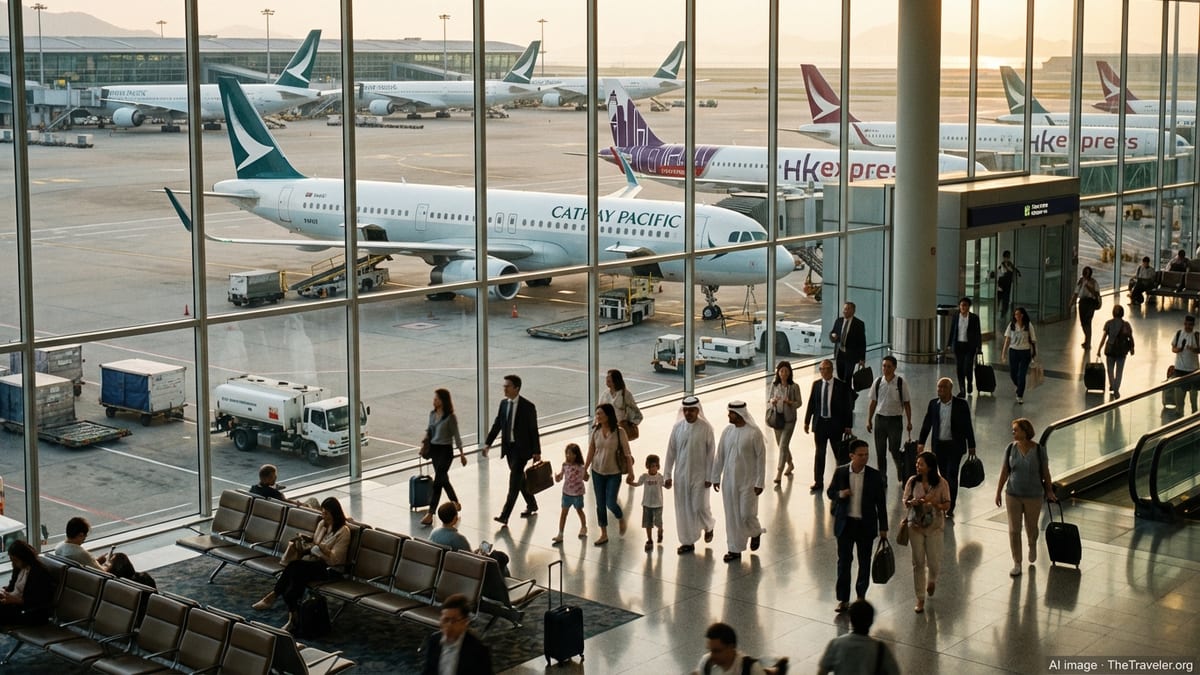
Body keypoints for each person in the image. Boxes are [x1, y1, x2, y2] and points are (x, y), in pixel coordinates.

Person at [253, 497, 350, 632]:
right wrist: (310, 542)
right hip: (314, 563)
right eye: (323, 513)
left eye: (326, 513)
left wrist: (321, 548)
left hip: (330, 569)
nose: (323, 516)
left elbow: (335, 560)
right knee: (296, 578)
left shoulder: (344, 532)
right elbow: (315, 542)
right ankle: (292, 616)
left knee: (295, 569)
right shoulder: (322, 524)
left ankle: (274, 598)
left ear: (335, 513)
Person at [827, 439, 888, 611]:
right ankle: (843, 599)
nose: (864, 458)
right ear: (851, 456)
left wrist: (883, 527)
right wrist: (841, 494)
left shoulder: (874, 476)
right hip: (845, 525)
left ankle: (861, 596)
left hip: (865, 526)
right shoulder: (841, 472)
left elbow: (881, 504)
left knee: (864, 562)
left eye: (867, 454)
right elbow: (830, 493)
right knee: (844, 562)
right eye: (860, 455)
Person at [994, 418, 1056, 577]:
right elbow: (1004, 471)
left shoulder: (1039, 450)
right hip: (1013, 494)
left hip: (1033, 495)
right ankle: (1017, 562)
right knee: (1014, 530)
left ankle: (1032, 544)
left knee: (1031, 526)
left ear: (1025, 431)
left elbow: (1045, 472)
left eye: (1016, 429)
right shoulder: (1010, 449)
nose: (1013, 432)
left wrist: (1049, 490)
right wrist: (999, 491)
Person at [483, 374, 542, 526]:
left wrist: (537, 451)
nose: (504, 388)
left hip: (522, 450)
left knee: (514, 482)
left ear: (516, 388)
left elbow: (533, 430)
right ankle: (532, 504)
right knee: (520, 480)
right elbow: (498, 424)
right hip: (509, 449)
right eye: (504, 386)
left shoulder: (528, 407)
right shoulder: (504, 404)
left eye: (507, 386)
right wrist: (488, 443)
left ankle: (505, 515)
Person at [711, 402, 766, 563]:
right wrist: (716, 476)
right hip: (729, 482)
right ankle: (734, 549)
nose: (728, 416)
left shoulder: (754, 433)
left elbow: (761, 458)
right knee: (732, 516)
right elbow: (719, 455)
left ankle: (755, 532)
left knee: (745, 514)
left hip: (748, 483)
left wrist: (759, 482)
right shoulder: (727, 432)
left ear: (739, 414)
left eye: (731, 414)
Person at [663, 396, 717, 555]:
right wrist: (667, 474)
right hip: (680, 476)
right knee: (683, 509)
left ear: (697, 410)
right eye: (685, 410)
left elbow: (711, 454)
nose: (688, 413)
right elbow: (670, 452)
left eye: (691, 410)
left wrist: (709, 476)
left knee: (699, 506)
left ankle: (709, 525)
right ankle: (687, 542)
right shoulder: (677, 428)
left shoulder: (706, 428)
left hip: (700, 476)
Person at [917, 378, 977, 517]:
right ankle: (945, 499)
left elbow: (967, 425)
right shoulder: (933, 404)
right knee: (943, 476)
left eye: (943, 388)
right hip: (939, 446)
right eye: (939, 388)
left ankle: (950, 506)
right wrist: (921, 442)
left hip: (954, 446)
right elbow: (927, 424)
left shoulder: (961, 405)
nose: (940, 390)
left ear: (950, 389)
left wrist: (971, 445)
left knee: (952, 474)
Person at [903, 451, 949, 613]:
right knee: (918, 562)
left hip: (934, 526)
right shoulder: (912, 482)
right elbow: (905, 500)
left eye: (921, 464)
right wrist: (912, 502)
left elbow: (947, 505)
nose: (917, 466)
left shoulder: (941, 483)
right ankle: (920, 597)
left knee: (934, 561)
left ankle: (932, 580)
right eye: (917, 464)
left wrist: (935, 504)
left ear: (930, 467)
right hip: (915, 526)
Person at [583, 402, 635, 546]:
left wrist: (631, 473)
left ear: (608, 415)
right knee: (600, 504)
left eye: (600, 414)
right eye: (597, 414)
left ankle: (620, 517)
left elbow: (627, 454)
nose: (597, 416)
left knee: (610, 502)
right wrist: (585, 468)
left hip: (614, 472)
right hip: (597, 471)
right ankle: (604, 534)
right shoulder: (595, 432)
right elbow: (591, 451)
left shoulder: (620, 432)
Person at [420, 388, 468, 527]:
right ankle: (455, 502)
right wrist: (424, 446)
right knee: (443, 479)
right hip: (435, 450)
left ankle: (430, 513)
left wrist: (462, 454)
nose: (434, 401)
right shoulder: (432, 414)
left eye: (436, 398)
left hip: (446, 452)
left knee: (438, 482)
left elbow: (457, 436)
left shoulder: (450, 417)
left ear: (443, 400)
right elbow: (429, 431)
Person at [804, 359, 853, 493]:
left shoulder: (841, 386)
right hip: (820, 425)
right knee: (820, 454)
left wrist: (848, 425)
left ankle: (841, 482)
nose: (824, 371)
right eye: (821, 369)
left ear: (832, 370)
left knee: (839, 455)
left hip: (835, 425)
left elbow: (847, 407)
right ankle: (818, 481)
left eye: (826, 369)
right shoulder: (817, 385)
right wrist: (807, 421)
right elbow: (811, 404)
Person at [817, 600, 900, 675]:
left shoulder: (836, 644)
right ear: (871, 621)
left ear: (851, 619)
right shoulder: (880, 649)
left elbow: (822, 672)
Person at [419, 593, 494, 675]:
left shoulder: (478, 650)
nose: (448, 625)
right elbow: (428, 671)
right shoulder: (434, 641)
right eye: (445, 620)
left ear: (465, 622)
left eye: (454, 621)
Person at [429, 501, 511, 577]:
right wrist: (480, 553)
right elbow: (472, 560)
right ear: (455, 519)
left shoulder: (434, 532)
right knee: (499, 560)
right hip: (466, 572)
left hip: (446, 570)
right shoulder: (458, 538)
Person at [866, 355, 912, 484]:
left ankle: (900, 467)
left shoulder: (900, 383)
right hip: (880, 419)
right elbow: (873, 402)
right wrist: (869, 419)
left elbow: (907, 403)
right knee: (880, 451)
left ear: (894, 368)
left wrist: (909, 421)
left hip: (895, 421)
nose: (885, 369)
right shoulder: (878, 382)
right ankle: (882, 477)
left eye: (889, 366)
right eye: (884, 366)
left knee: (894, 449)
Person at [0, 540, 56, 627]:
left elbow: (39, 601)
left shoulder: (39, 573)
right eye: (11, 560)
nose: (13, 563)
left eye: (15, 560)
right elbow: (12, 587)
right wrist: (5, 592)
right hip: (15, 605)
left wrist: (15, 600)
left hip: (30, 611)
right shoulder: (18, 567)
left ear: (24, 558)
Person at [767, 360, 802, 485]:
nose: (784, 373)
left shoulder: (794, 387)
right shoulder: (775, 385)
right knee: (782, 445)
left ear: (790, 372)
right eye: (781, 371)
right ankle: (790, 463)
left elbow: (799, 403)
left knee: (782, 446)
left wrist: (790, 403)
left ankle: (779, 473)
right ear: (778, 373)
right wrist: (773, 401)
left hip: (789, 420)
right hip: (777, 419)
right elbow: (769, 399)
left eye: (786, 371)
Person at [692, 622, 767, 675]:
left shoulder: (752, 669)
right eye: (710, 650)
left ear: (731, 647)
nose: (712, 656)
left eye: (717, 651)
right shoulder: (705, 663)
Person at [629, 454, 667, 552]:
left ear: (658, 466)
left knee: (658, 522)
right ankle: (649, 540)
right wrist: (630, 482)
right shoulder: (644, 477)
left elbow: (666, 485)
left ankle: (660, 530)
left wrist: (669, 484)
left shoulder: (660, 477)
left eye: (655, 466)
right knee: (648, 523)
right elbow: (638, 484)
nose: (653, 468)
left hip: (658, 504)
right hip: (647, 504)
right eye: (651, 466)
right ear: (647, 466)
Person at [552, 443, 588, 545]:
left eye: (570, 454)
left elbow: (586, 478)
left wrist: (586, 474)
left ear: (576, 455)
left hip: (577, 494)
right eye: (567, 453)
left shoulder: (581, 467)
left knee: (579, 510)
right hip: (566, 493)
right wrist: (557, 477)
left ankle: (584, 526)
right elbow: (560, 477)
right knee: (563, 514)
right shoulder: (565, 465)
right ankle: (560, 534)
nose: (568, 456)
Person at [1000, 306, 1037, 404]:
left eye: (1019, 314)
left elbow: (1033, 340)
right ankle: (1019, 386)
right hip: (1013, 351)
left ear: (1023, 315)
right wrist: (1003, 354)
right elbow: (1007, 340)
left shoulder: (1028, 325)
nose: (1017, 316)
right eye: (1015, 314)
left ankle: (1020, 395)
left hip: (1025, 352)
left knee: (1021, 374)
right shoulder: (1012, 325)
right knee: (1013, 373)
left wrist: (1034, 354)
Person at [946, 297, 982, 396]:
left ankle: (969, 382)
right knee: (959, 368)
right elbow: (952, 330)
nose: (963, 307)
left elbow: (977, 333)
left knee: (968, 366)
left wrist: (979, 347)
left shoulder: (974, 318)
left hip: (969, 346)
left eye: (965, 305)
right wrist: (949, 344)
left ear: (968, 307)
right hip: (958, 345)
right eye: (961, 305)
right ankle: (962, 389)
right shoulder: (956, 316)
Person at [1097, 305, 1135, 398]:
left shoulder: (1108, 323)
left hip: (1110, 349)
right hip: (1122, 350)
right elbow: (1130, 337)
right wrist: (1132, 348)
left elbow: (1104, 338)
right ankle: (1116, 389)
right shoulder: (1126, 325)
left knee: (1110, 370)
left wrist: (1099, 349)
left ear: (1113, 313)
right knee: (1119, 371)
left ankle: (1112, 386)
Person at [599, 368, 642, 445]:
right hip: (607, 429)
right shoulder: (605, 394)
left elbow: (637, 413)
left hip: (620, 429)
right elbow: (599, 410)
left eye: (609, 379)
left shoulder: (625, 394)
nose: (607, 380)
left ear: (615, 381)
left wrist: (630, 423)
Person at [829, 301, 867, 385]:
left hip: (851, 355)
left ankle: (847, 396)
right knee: (840, 375)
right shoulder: (839, 321)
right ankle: (844, 392)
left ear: (853, 311)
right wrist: (833, 337)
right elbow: (832, 333)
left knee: (848, 377)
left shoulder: (859, 324)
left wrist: (862, 358)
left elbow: (862, 342)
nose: (845, 311)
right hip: (840, 354)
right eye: (845, 309)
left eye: (848, 309)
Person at [1170, 315, 1200, 413]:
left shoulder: (1196, 336)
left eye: (1190, 325)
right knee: (1179, 399)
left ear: (1193, 325)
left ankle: (1194, 418)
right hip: (1180, 370)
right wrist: (1178, 349)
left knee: (1193, 399)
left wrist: (1194, 350)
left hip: (1194, 371)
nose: (1188, 326)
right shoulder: (1178, 334)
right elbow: (1173, 348)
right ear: (1184, 323)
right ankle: (1179, 414)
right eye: (1186, 324)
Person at [1070, 266, 1101, 347]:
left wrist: (1088, 286)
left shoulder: (1093, 282)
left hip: (1090, 303)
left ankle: (1088, 341)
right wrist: (1072, 302)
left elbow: (1096, 294)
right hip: (1083, 302)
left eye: (1086, 272)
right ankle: (1087, 340)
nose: (1085, 274)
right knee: (1084, 322)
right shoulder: (1081, 281)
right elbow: (1076, 292)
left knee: (1087, 322)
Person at [996, 250, 1020, 319]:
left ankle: (1003, 313)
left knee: (1006, 299)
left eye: (1007, 257)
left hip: (1007, 284)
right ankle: (998, 312)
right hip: (1001, 284)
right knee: (999, 298)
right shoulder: (1001, 265)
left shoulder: (1010, 265)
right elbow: (999, 273)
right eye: (1005, 257)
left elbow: (1013, 272)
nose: (1006, 259)